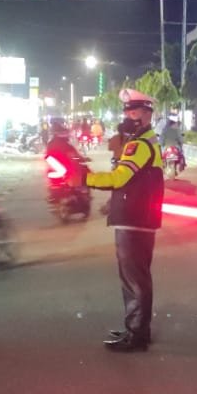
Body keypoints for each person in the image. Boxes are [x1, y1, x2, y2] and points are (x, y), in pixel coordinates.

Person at [73, 89, 165, 352]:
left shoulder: (140, 144)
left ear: (147, 114)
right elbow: (131, 182)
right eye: (126, 110)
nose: (128, 115)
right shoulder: (143, 141)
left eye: (134, 111)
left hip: (135, 220)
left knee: (134, 279)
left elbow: (119, 179)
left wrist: (86, 178)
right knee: (136, 277)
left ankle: (136, 334)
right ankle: (135, 327)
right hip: (137, 217)